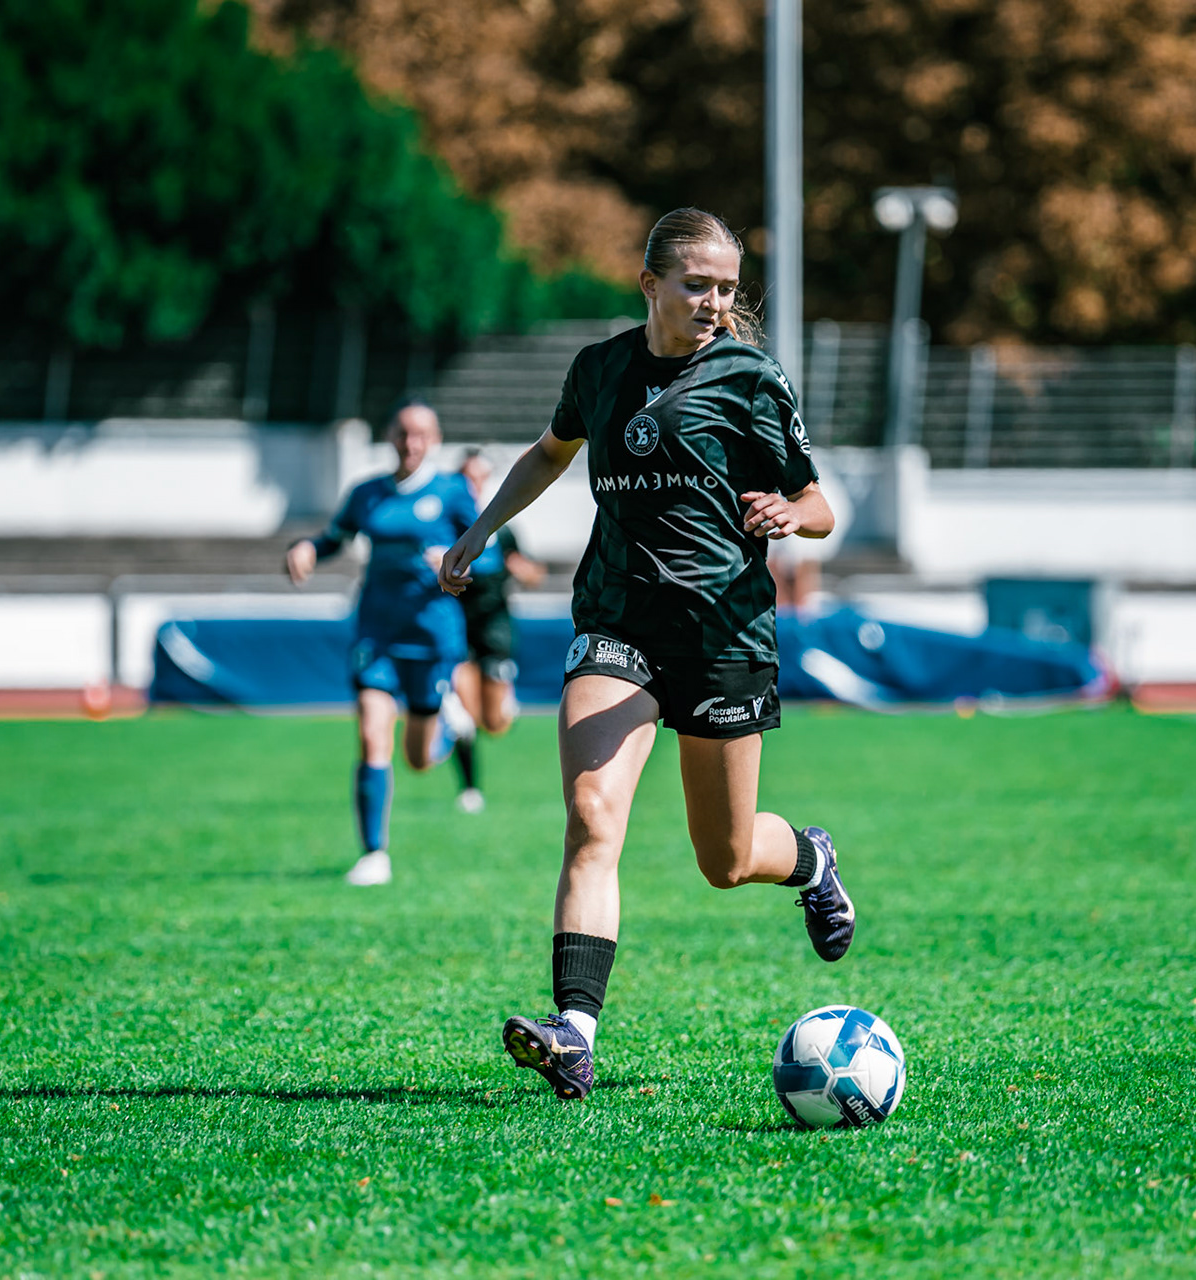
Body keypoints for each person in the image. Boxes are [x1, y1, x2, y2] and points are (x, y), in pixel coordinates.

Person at [438, 207, 855, 1102]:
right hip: (616, 622)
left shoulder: (749, 376)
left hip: (723, 635)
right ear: (650, 284)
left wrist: (791, 515)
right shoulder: (599, 370)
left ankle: (811, 859)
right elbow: (550, 454)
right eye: (697, 284)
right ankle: (575, 1034)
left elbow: (820, 500)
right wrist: (479, 530)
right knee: (593, 815)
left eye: (727, 289)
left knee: (726, 858)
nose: (713, 303)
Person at [287, 399, 479, 886]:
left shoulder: (453, 492)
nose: (410, 443)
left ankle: (447, 729)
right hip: (377, 632)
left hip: (431, 636)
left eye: (420, 435)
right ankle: (374, 855)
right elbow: (336, 536)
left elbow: (489, 551)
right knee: (373, 736)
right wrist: (309, 547)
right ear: (390, 436)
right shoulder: (368, 493)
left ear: (434, 440)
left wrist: (457, 558)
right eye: (402, 433)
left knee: (417, 759)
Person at [445, 448, 547, 813]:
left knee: (495, 722)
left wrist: (524, 570)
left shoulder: (502, 530)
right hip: (455, 631)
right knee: (460, 713)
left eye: (478, 476)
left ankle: (505, 704)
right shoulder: (444, 526)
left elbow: (534, 573)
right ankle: (470, 789)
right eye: (466, 477)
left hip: (495, 630)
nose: (472, 484)